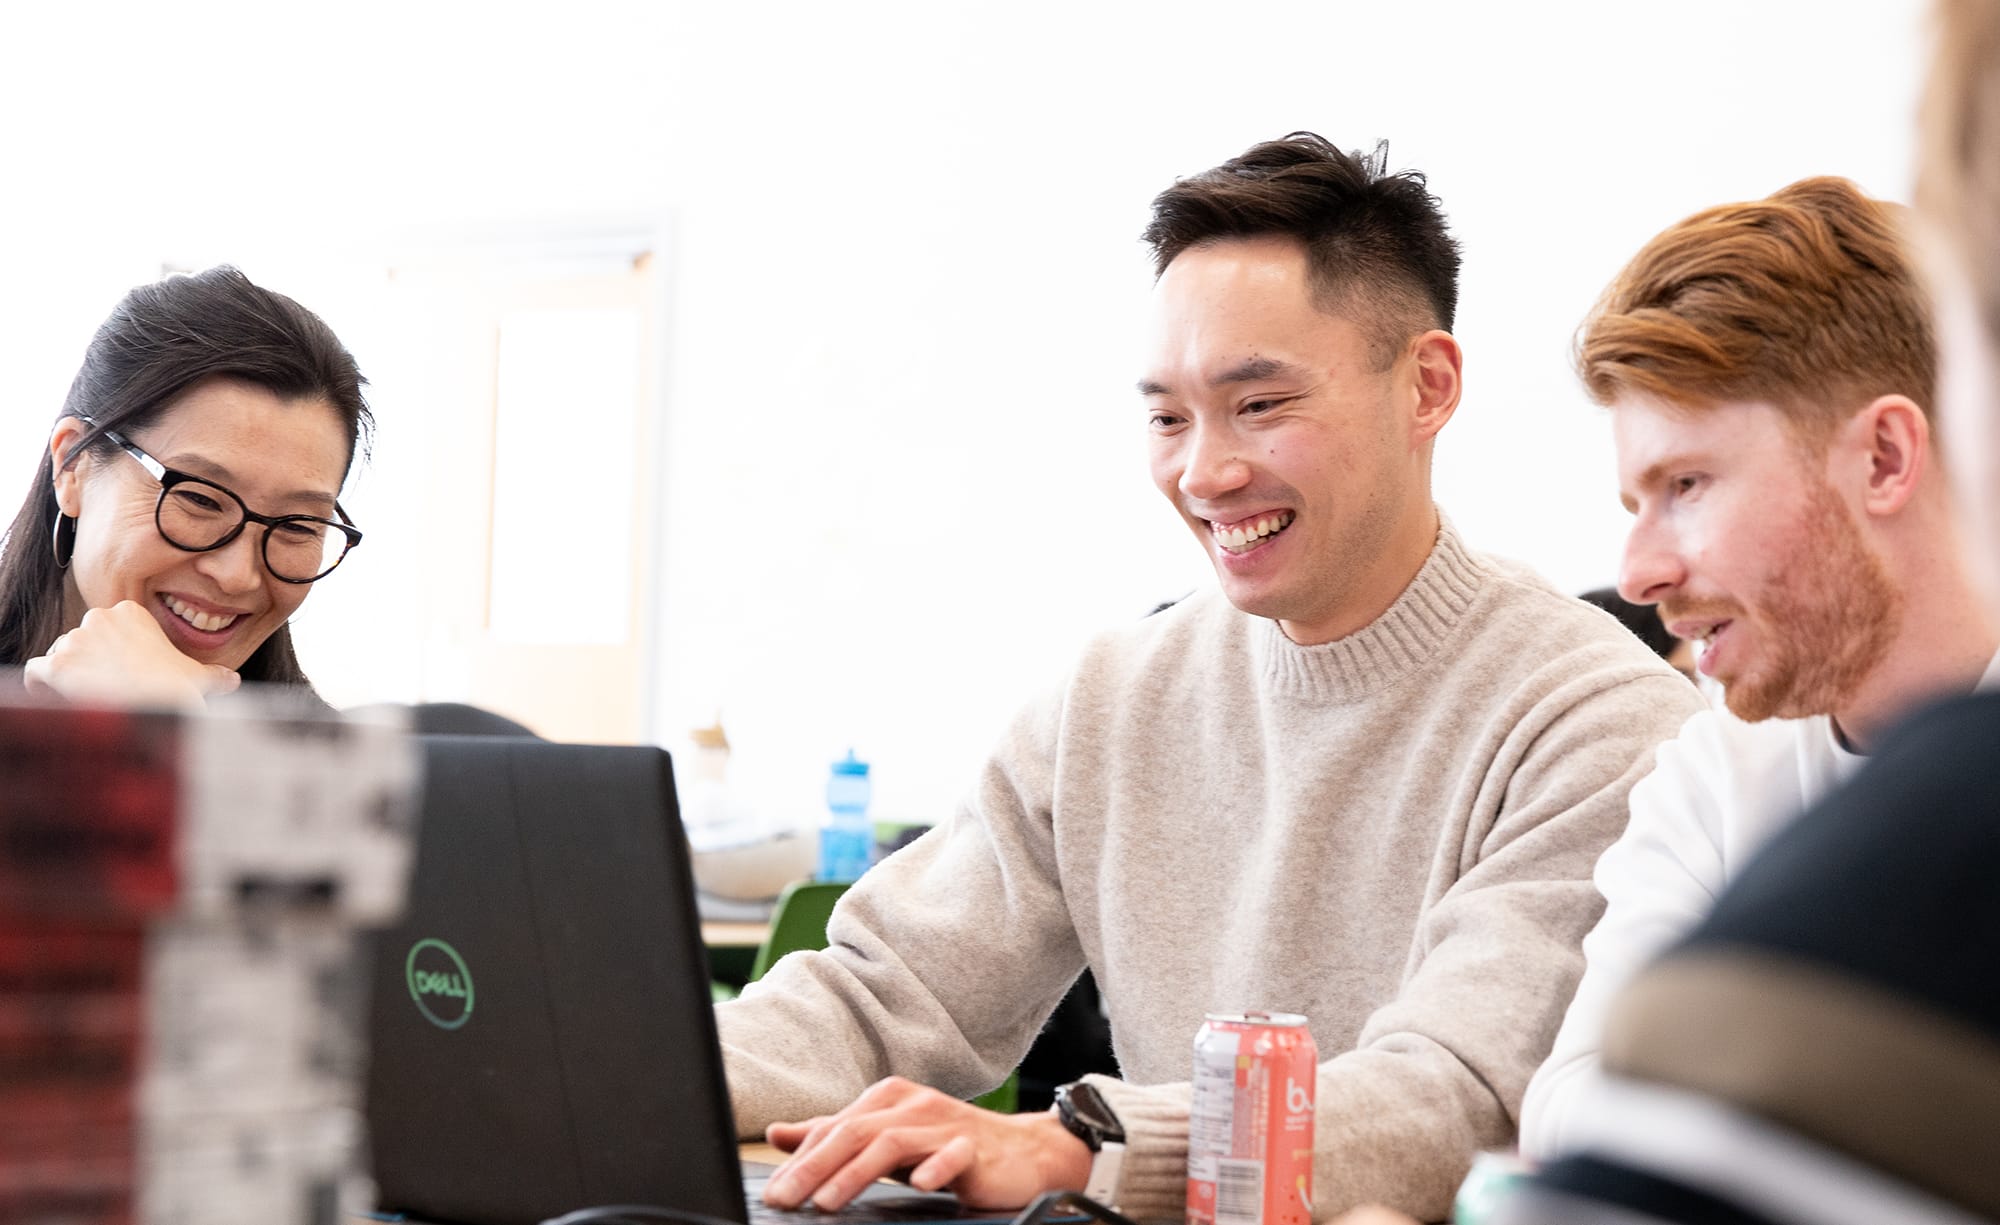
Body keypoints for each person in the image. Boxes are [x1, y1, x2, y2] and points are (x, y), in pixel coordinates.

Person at [718, 133, 1702, 1223]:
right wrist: (578, 1073)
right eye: (1165, 416)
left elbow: (1455, 1099)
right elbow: (877, 996)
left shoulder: (1600, 723)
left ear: (1425, 386)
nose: (1203, 472)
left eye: (1259, 404)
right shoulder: (1112, 695)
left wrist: (1073, 1146)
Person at [1516, 175, 2000, 1158]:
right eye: (1632, 504)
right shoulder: (1712, 770)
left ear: (1881, 458)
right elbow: (1568, 1111)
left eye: (1684, 485)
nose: (1638, 573)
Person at [0, 266, 371, 708]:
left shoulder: (335, 767)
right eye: (198, 499)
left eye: (296, 524)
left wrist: (171, 728)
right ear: (73, 464)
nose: (237, 577)